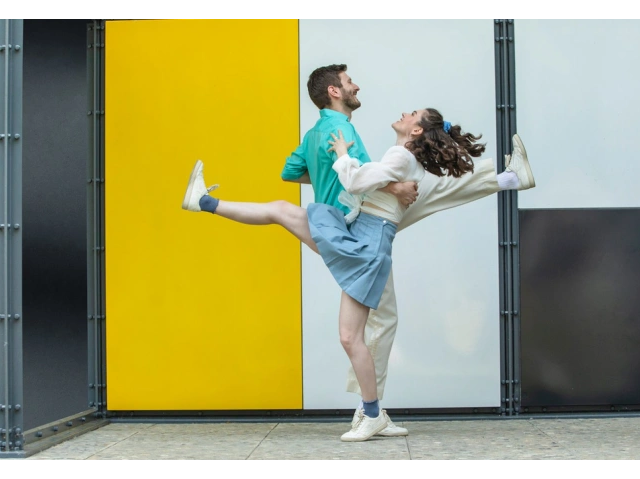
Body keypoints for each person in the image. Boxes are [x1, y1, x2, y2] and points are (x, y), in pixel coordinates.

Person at [182, 107, 533, 442]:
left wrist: (341, 154)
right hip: (356, 233)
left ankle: (371, 412)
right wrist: (383, 182)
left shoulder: (393, 153)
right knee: (282, 213)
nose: (404, 113)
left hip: (364, 242)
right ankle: (204, 202)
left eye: (412, 114)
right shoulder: (394, 154)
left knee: (351, 334)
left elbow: (352, 180)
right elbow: (341, 177)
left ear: (415, 130)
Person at [278, 65, 536, 437]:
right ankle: (368, 410)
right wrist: (391, 186)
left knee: (429, 191)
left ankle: (369, 410)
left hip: (360, 222)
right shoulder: (343, 130)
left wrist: (343, 172)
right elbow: (362, 177)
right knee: (381, 319)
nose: (356, 86)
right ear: (334, 91)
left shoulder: (321, 133)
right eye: (349, 82)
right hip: (360, 225)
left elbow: (292, 172)